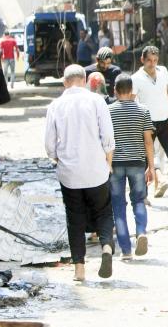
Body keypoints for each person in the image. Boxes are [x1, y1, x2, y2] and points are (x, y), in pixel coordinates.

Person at [44, 64, 116, 281]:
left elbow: (49, 144)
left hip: (70, 174)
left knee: (74, 218)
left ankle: (79, 270)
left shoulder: (55, 105)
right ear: (84, 81)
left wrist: (58, 160)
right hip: (96, 170)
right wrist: (108, 163)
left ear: (64, 82)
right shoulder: (97, 101)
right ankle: (106, 248)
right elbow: (108, 137)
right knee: (103, 212)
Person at [132, 45, 168, 204]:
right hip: (146, 123)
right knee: (144, 159)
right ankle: (142, 196)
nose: (152, 63)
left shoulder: (163, 71)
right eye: (149, 60)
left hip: (165, 121)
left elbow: (167, 90)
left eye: (155, 60)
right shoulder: (136, 78)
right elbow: (132, 100)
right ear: (142, 60)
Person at [109, 74, 155, 260]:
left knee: (118, 206)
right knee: (139, 200)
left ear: (115, 91)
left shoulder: (108, 111)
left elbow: (105, 141)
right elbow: (148, 141)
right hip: (137, 163)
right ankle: (141, 232)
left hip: (115, 164)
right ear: (132, 91)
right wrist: (151, 167)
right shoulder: (143, 110)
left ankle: (126, 250)